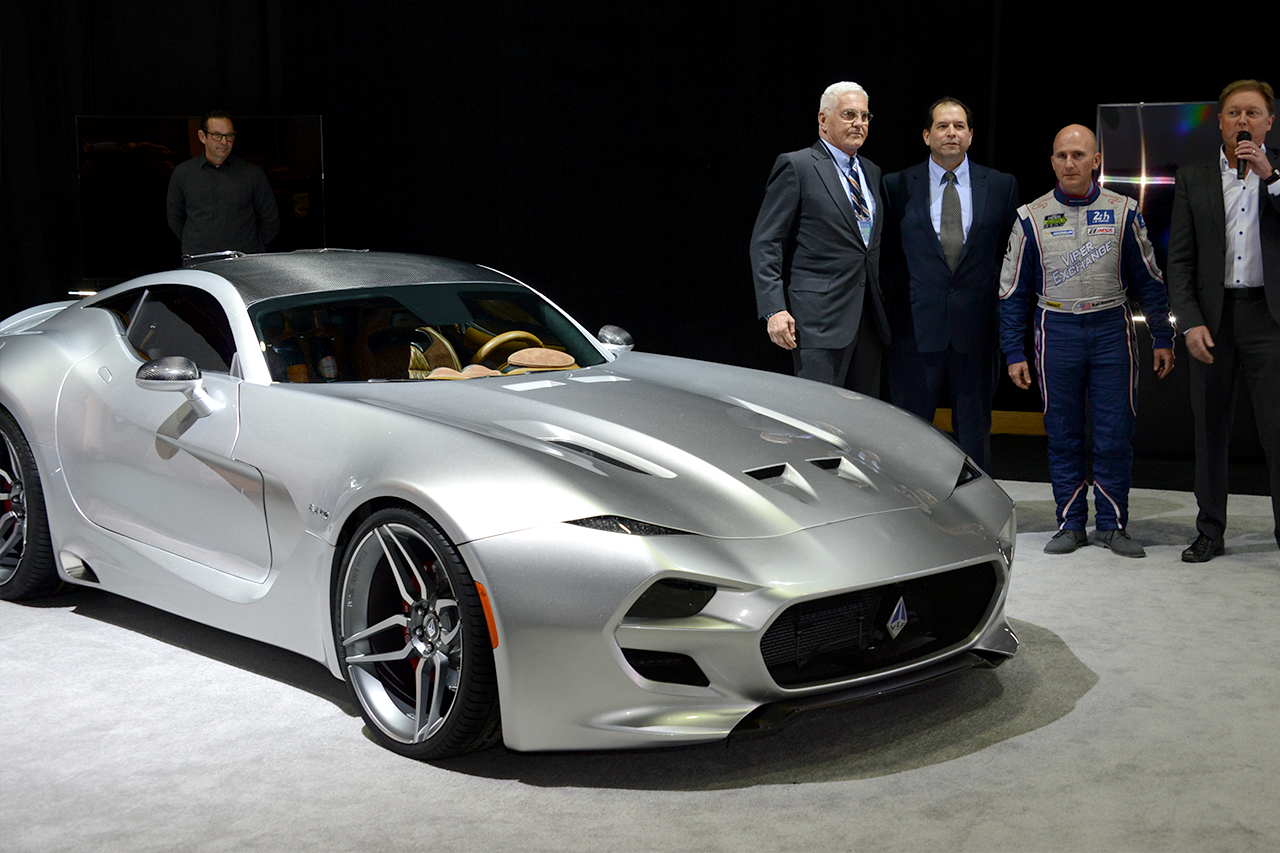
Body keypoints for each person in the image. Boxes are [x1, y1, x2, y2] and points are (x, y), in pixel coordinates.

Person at [999, 125, 1175, 557]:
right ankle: (1071, 523)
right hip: (1055, 330)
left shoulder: (1124, 210)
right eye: (1061, 156)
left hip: (1112, 329)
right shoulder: (1031, 216)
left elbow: (1150, 281)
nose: (1069, 163)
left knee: (1115, 433)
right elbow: (1010, 292)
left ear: (1096, 160)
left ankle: (1113, 525)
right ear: (1053, 161)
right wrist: (1013, 351)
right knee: (1063, 434)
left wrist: (1162, 336)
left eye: (1078, 155)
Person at [1166, 79, 1280, 562]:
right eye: (1234, 113)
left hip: (1268, 319)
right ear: (1220, 121)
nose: (1243, 122)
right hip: (1212, 321)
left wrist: (1270, 176)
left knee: (1277, 432)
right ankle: (1210, 530)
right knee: (1210, 430)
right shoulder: (1193, 177)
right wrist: (1188, 323)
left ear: (1269, 122)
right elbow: (1181, 259)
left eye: (1253, 113)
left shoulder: (1277, 174)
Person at [881, 97, 1020, 471]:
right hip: (915, 332)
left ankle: (975, 516)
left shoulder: (1002, 186)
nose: (951, 133)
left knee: (975, 435)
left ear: (971, 136)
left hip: (976, 333)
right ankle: (911, 512)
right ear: (927, 136)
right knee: (910, 433)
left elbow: (1010, 259)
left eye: (959, 126)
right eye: (942, 126)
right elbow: (887, 260)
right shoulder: (895, 186)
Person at [750, 81, 890, 393]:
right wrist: (774, 308)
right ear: (823, 120)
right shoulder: (797, 165)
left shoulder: (871, 171)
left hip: (868, 321)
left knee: (862, 423)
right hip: (818, 321)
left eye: (865, 116)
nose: (859, 123)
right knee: (819, 421)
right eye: (849, 114)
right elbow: (766, 241)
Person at [166, 110, 280, 261]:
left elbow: (270, 219)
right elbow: (174, 219)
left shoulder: (252, 173)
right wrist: (195, 244)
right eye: (217, 135)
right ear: (202, 136)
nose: (224, 142)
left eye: (229, 135)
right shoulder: (183, 173)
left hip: (244, 262)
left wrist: (254, 251)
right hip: (199, 262)